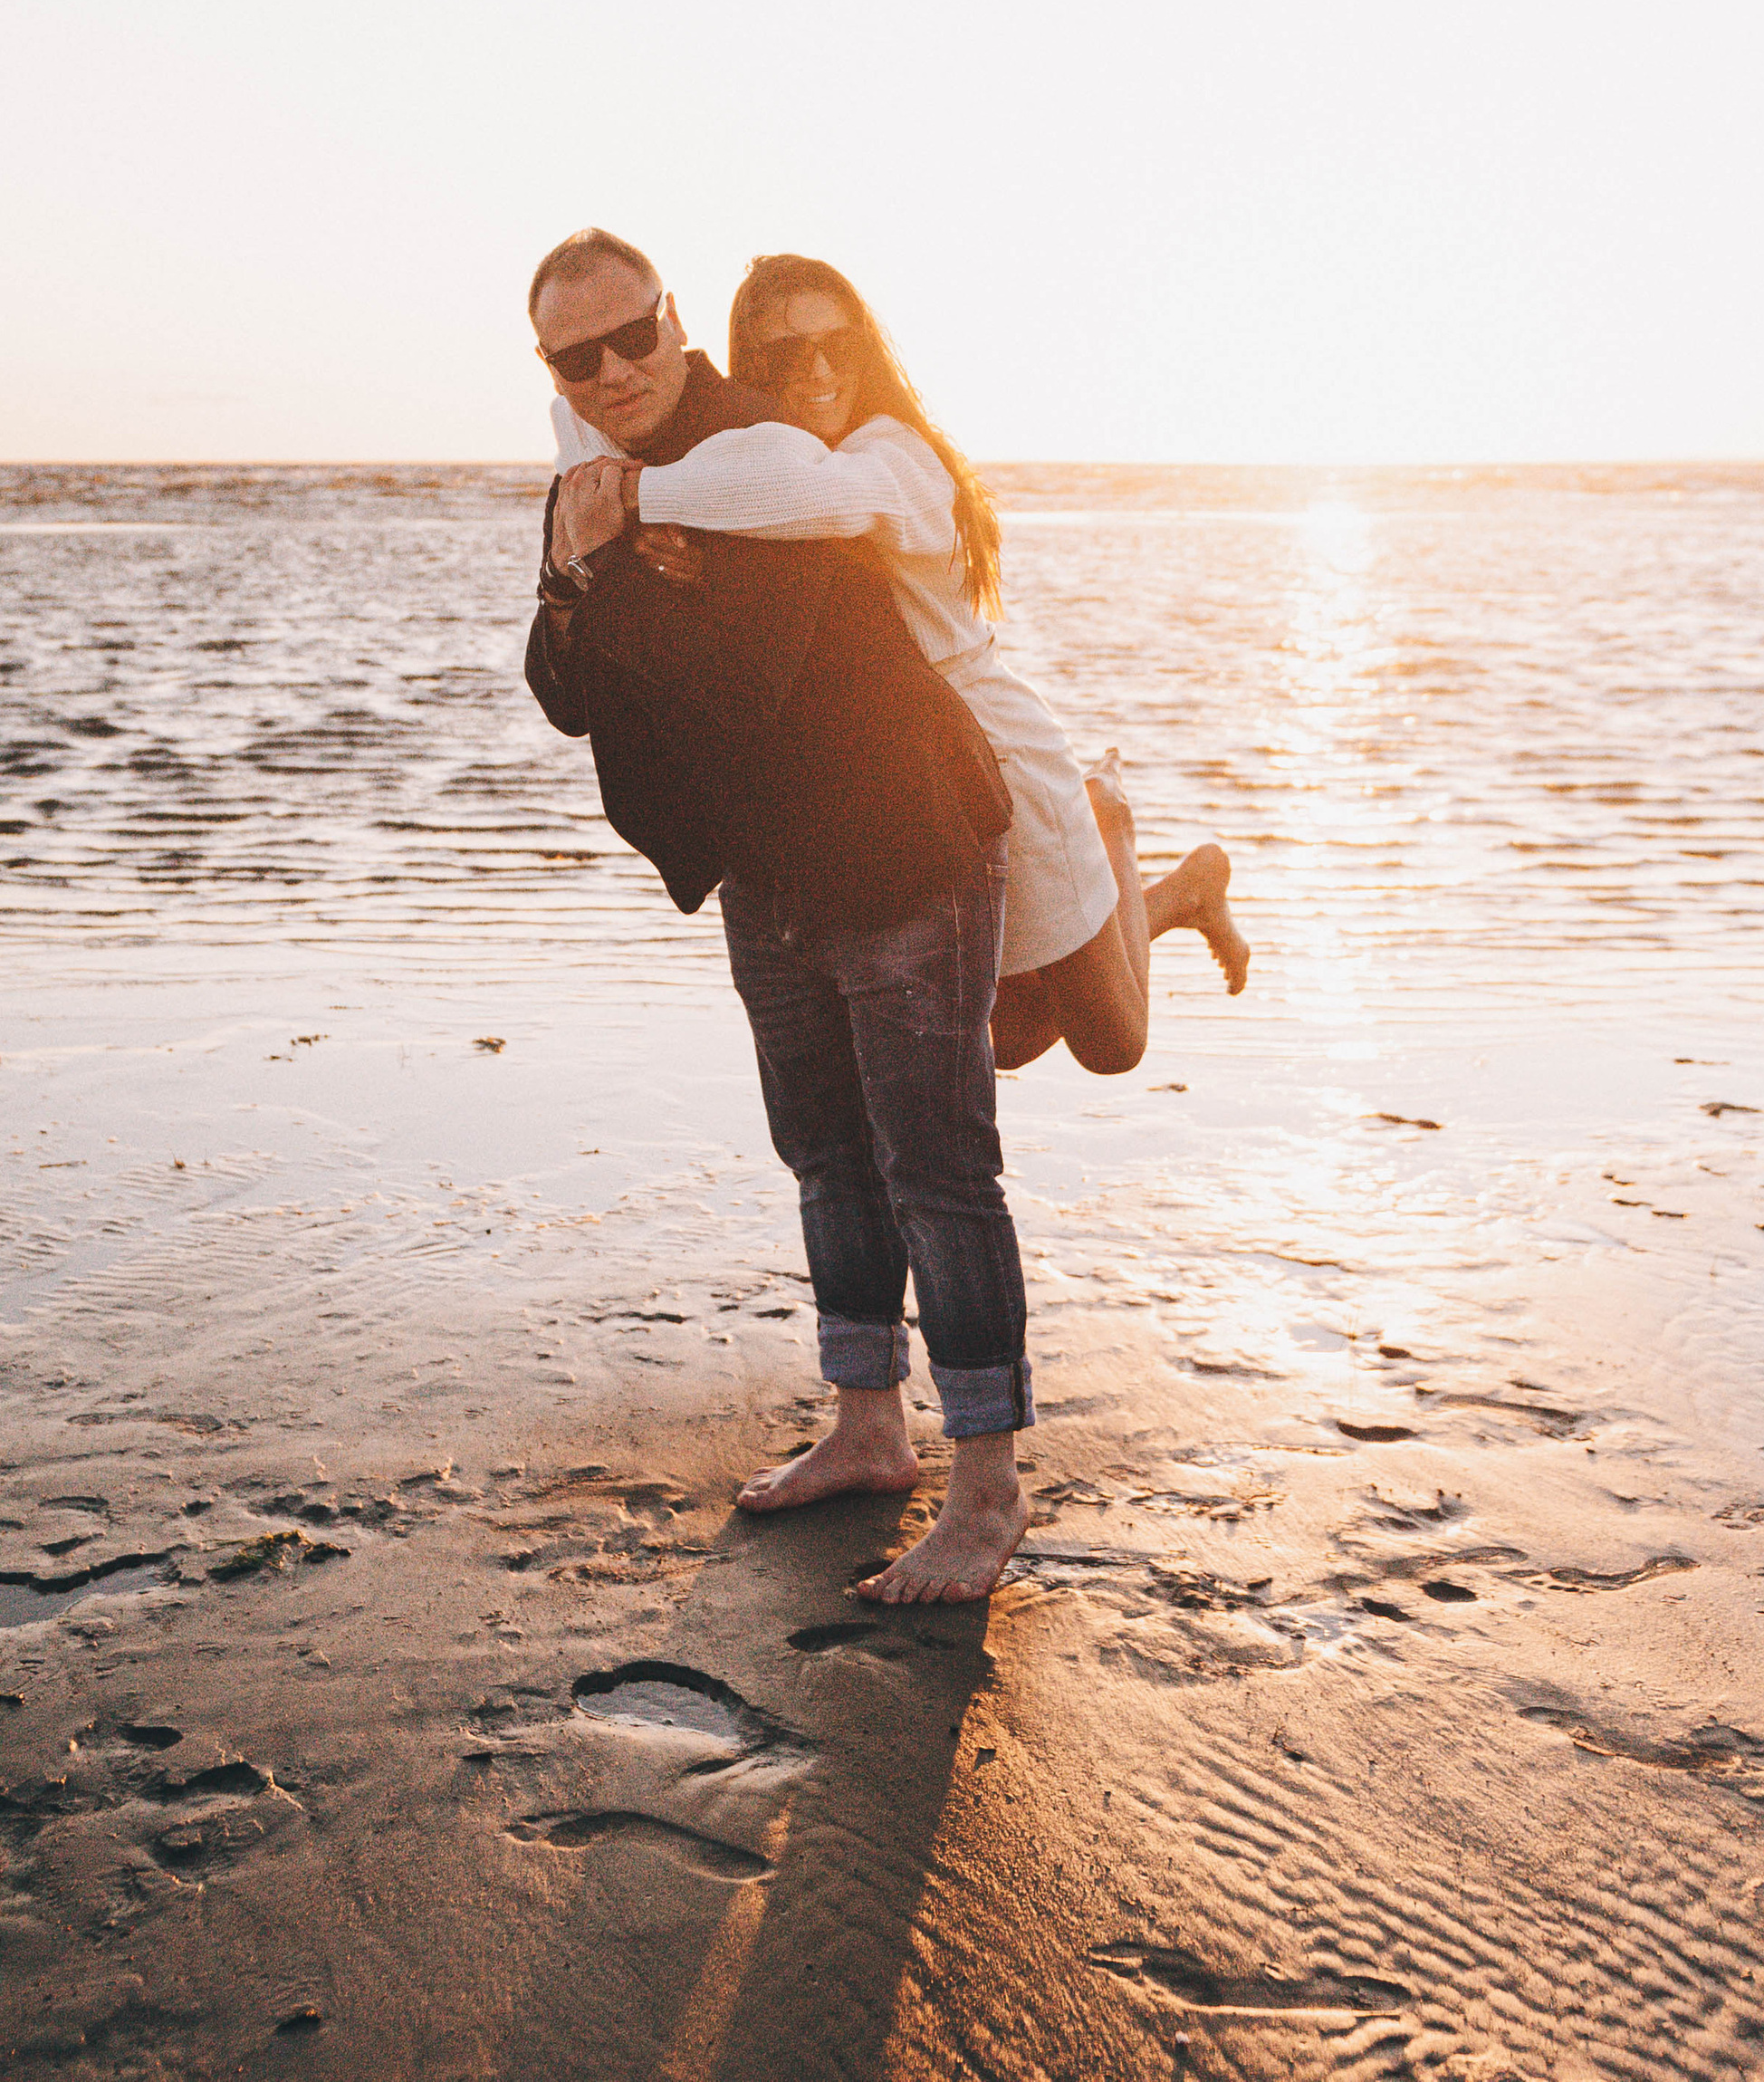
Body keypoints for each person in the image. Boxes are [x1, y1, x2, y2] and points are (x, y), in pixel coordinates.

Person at [522, 227, 1032, 1603]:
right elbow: (563, 687)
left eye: (636, 335)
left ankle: (987, 1498)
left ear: (674, 320)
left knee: (936, 1162)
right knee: (821, 1152)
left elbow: (740, 678)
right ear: (551, 364)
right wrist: (585, 568)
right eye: (580, 356)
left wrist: (613, 564)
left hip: (903, 837)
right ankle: (869, 1432)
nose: (616, 369)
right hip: (769, 866)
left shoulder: (761, 453)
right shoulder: (590, 481)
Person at [557, 251, 1248, 1081]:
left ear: (866, 351)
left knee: (1112, 1044)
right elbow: (581, 427)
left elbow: (816, 500)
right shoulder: (752, 460)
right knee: (1000, 1039)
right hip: (916, 778)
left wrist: (621, 497)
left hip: (998, 758)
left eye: (837, 346)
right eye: (783, 355)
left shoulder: (892, 458)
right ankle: (1171, 887)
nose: (815, 370)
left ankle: (1118, 826)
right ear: (751, 364)